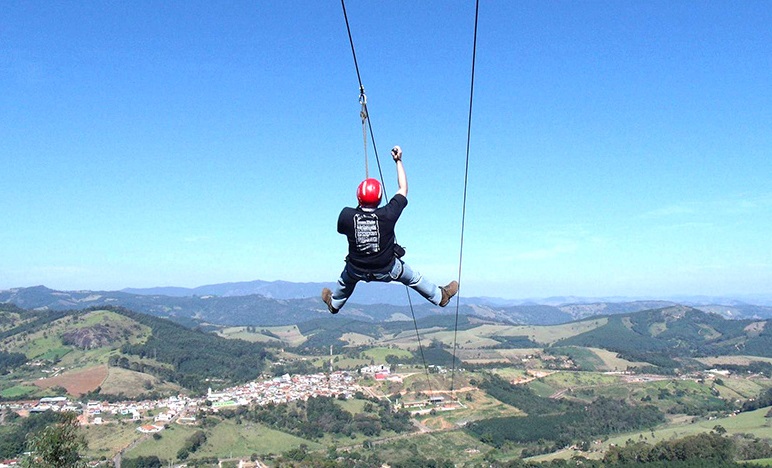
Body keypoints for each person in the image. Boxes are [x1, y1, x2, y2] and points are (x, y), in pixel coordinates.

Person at [322, 145, 458, 314]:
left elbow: (342, 230)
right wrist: (398, 161)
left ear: (358, 196)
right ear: (379, 198)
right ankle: (440, 296)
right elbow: (403, 189)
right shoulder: (388, 214)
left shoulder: (346, 215)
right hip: (386, 268)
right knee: (414, 278)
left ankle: (334, 304)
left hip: (356, 268)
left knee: (345, 281)